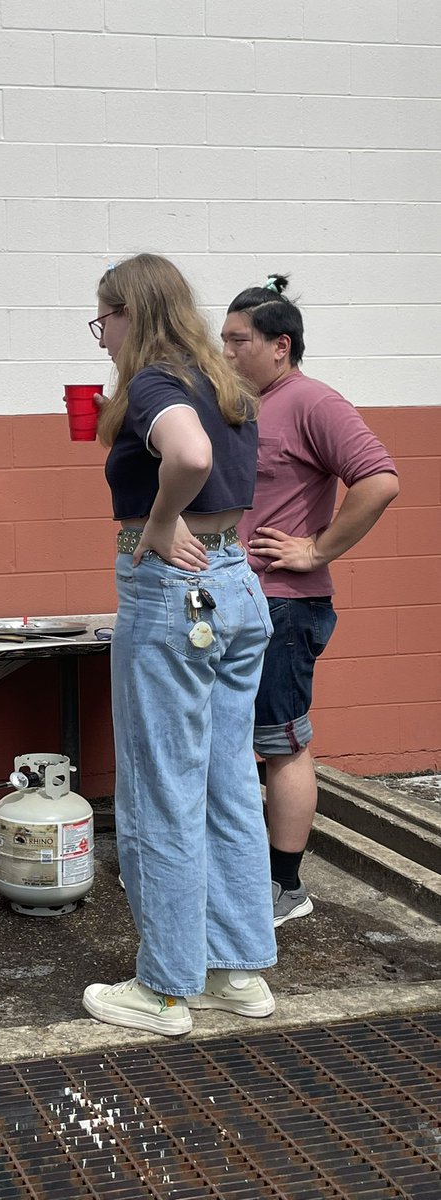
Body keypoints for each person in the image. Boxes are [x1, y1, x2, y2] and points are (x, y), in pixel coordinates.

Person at [81, 253, 277, 1036]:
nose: (102, 335)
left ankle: (164, 989)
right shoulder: (222, 380)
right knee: (228, 782)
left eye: (104, 319)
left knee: (161, 786)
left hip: (174, 590)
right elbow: (210, 455)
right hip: (235, 587)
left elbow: (189, 455)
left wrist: (159, 523)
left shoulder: (156, 384)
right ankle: (237, 972)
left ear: (131, 312)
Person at [222, 275, 399, 926]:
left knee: (282, 744)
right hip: (232, 600)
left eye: (238, 341)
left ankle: (286, 887)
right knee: (230, 742)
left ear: (281, 345)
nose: (226, 352)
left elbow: (379, 480)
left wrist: (317, 549)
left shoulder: (313, 401)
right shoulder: (241, 405)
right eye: (222, 340)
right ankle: (242, 871)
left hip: (284, 606)